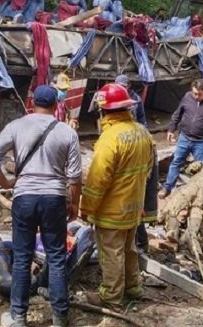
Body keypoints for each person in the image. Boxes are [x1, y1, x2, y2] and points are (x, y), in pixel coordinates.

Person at [0, 85, 82, 327]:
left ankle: (18, 317)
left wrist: (5, 182)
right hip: (54, 199)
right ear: (56, 105)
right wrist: (74, 205)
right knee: (57, 257)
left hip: (24, 197)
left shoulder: (17, 126)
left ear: (32, 102)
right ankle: (60, 317)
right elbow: (76, 177)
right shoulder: (67, 132)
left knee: (23, 257)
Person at [80, 83, 154, 309]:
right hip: (134, 207)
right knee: (129, 249)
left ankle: (111, 296)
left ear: (104, 110)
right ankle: (133, 287)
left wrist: (87, 208)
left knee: (111, 253)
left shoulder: (110, 138)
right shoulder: (143, 132)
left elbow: (97, 180)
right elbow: (148, 170)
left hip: (112, 210)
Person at [158, 79, 203, 199]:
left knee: (201, 168)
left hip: (201, 141)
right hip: (184, 137)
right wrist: (171, 129)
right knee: (176, 162)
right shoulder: (187, 96)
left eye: (199, 94)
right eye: (194, 93)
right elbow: (178, 113)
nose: (196, 96)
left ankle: (199, 193)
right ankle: (167, 187)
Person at [114, 75, 158, 252]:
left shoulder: (135, 101)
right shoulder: (141, 140)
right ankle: (138, 244)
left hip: (130, 188)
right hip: (135, 185)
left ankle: (139, 243)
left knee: (135, 211)